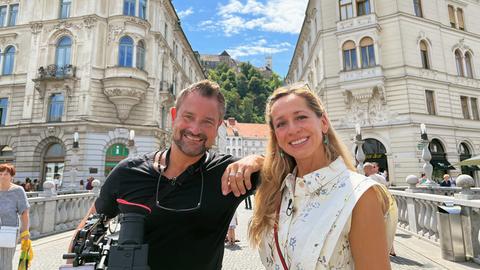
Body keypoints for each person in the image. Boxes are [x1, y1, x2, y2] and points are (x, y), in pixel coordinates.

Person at [73, 80, 263, 270]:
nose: (195, 129)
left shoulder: (229, 173)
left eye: (207, 121)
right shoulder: (128, 172)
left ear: (218, 126)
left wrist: (258, 160)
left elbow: (287, 167)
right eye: (188, 117)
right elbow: (84, 234)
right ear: (174, 116)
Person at [244, 83, 395, 269]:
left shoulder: (359, 195)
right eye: (281, 123)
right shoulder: (277, 192)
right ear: (276, 136)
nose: (292, 129)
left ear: (323, 123)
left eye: (301, 117)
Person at [0, 164, 30, 270]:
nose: (2, 176)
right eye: (0, 174)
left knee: (4, 263)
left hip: (9, 231)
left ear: (12, 176)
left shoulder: (18, 191)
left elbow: (24, 213)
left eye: (6, 174)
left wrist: (25, 232)